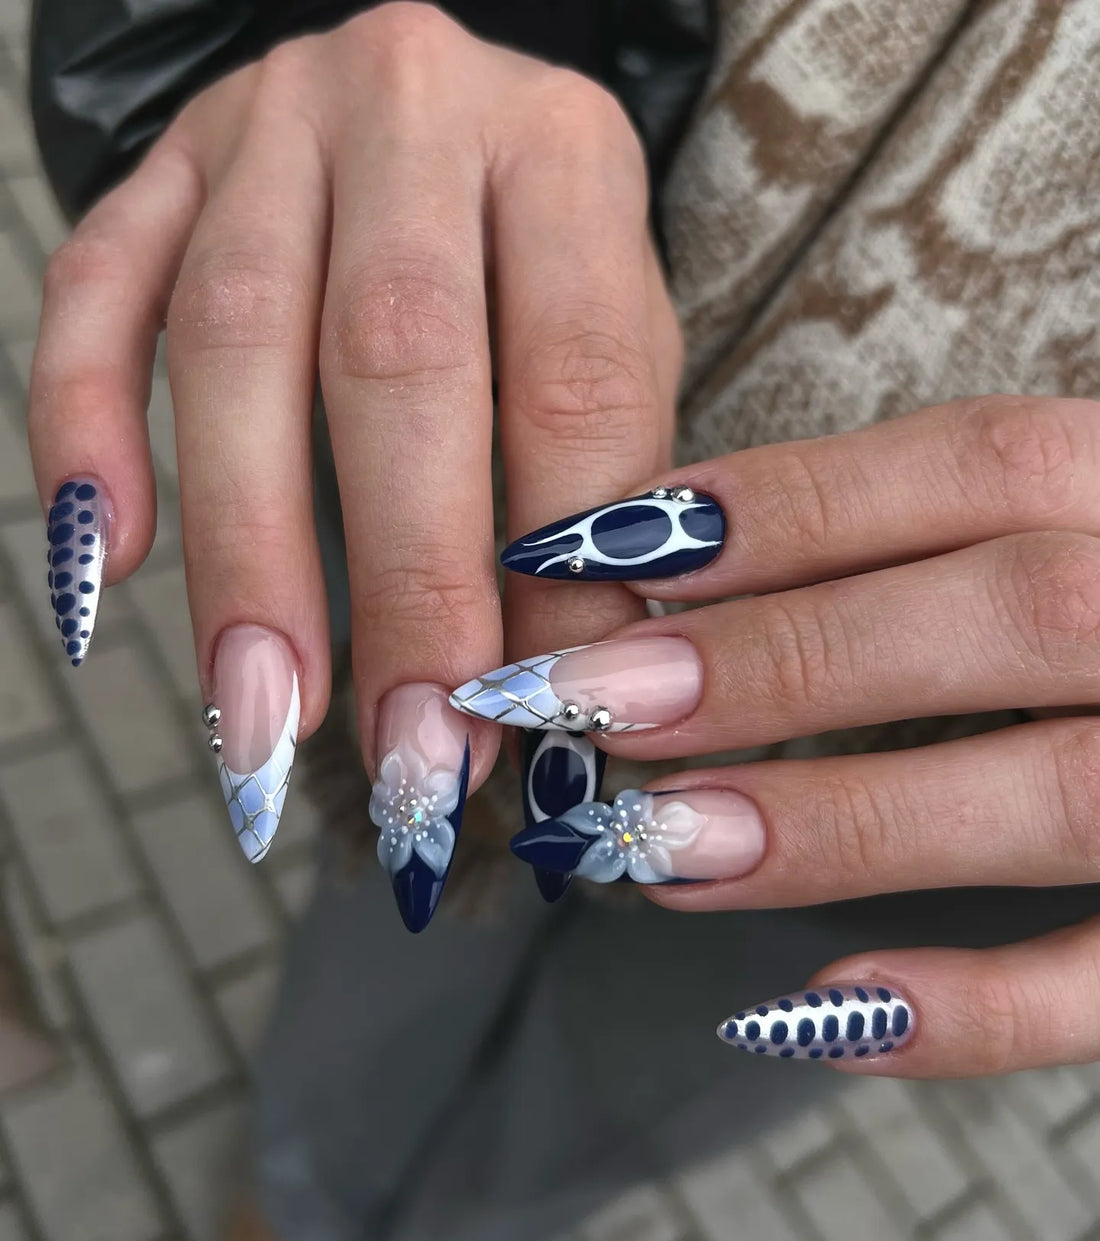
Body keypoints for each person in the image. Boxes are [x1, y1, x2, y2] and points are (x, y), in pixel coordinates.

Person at [26, 2, 1100, 1238]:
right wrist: (425, 39)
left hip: (977, 802)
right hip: (447, 472)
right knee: (387, 927)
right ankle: (293, 1189)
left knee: (586, 1109)